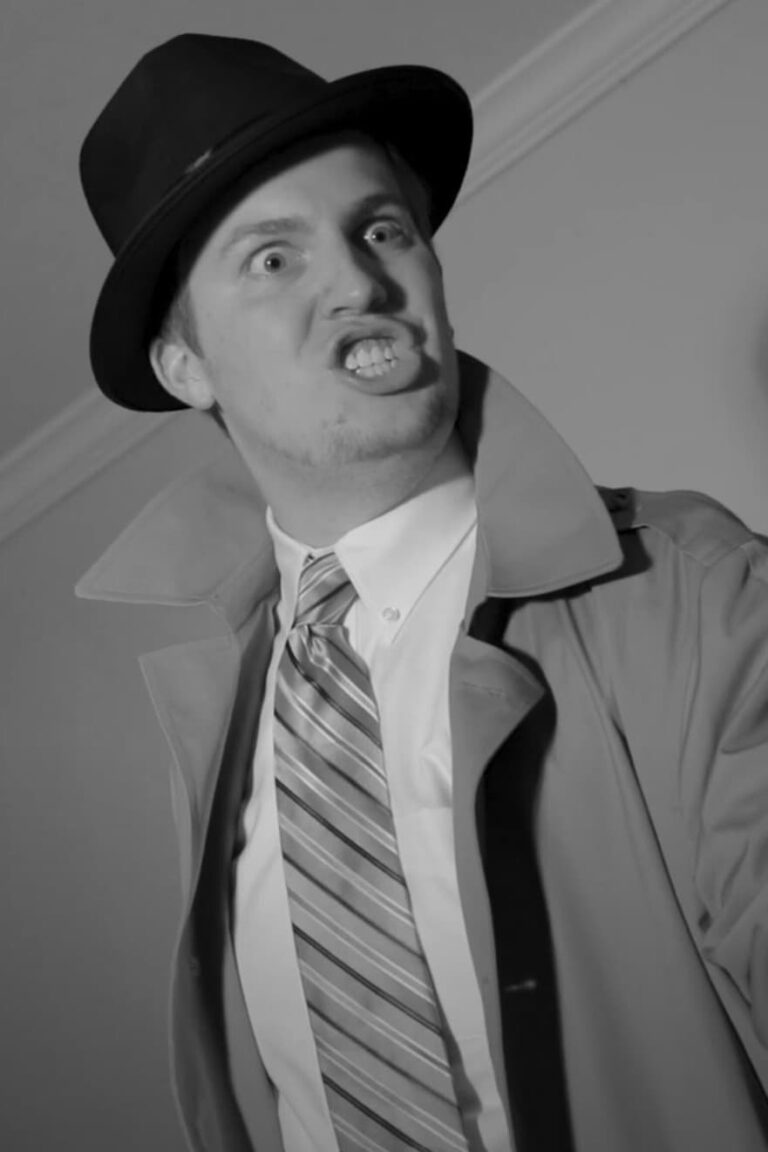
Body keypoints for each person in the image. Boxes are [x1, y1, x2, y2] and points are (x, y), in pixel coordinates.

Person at [76, 32, 768, 1152]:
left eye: (383, 229)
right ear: (185, 366)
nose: (360, 281)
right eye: (273, 258)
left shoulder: (696, 593)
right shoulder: (221, 723)